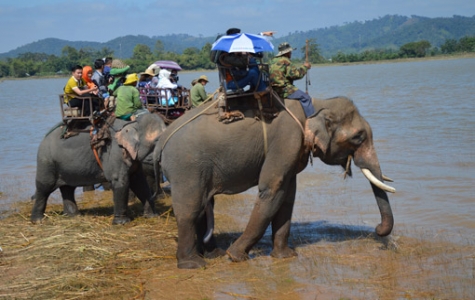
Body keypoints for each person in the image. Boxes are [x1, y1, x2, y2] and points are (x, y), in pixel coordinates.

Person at [269, 42, 315, 119]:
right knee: (306, 98)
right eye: (290, 52)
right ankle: (312, 120)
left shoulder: (272, 61)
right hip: (284, 90)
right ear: (287, 53)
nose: (291, 53)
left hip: (273, 90)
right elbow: (296, 75)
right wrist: (305, 67)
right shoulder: (286, 61)